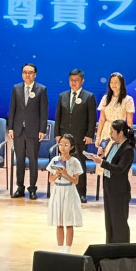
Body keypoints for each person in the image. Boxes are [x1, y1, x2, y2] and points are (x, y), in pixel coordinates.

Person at [86, 119, 135, 243]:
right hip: (109, 186)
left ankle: (122, 248)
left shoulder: (128, 149)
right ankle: (110, 246)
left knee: (119, 221)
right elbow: (110, 162)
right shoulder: (114, 145)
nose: (110, 134)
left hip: (119, 190)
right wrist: (101, 156)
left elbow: (119, 169)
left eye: (112, 131)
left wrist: (102, 162)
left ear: (121, 132)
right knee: (109, 220)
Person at [55, 68, 97, 203]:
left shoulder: (89, 97)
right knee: (62, 164)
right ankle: (61, 189)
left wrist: (89, 134)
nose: (73, 83)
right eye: (71, 80)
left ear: (82, 81)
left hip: (80, 138)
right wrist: (57, 134)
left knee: (79, 165)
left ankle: (81, 193)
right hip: (64, 139)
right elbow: (58, 116)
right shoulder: (62, 96)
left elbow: (92, 118)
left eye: (76, 80)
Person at [8, 63, 49, 200]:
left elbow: (43, 112)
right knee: (19, 160)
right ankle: (20, 187)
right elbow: (12, 109)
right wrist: (11, 127)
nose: (27, 75)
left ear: (35, 74)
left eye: (30, 72)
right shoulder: (16, 88)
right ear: (22, 74)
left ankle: (32, 188)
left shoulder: (41, 89)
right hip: (18, 130)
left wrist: (42, 130)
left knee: (33, 161)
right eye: (25, 72)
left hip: (33, 131)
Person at [46, 134, 84, 252]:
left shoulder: (74, 162)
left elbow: (76, 181)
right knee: (59, 222)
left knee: (69, 222)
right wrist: (57, 175)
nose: (62, 147)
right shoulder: (55, 160)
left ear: (71, 147)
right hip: (57, 191)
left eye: (66, 145)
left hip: (69, 192)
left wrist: (66, 174)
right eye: (61, 144)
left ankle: (67, 249)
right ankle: (60, 248)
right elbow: (50, 179)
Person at [95, 71, 135, 145]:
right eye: (111, 82)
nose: (113, 85)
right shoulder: (105, 98)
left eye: (116, 82)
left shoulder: (128, 100)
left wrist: (129, 137)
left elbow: (129, 122)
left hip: (120, 131)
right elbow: (101, 119)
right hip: (106, 131)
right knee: (104, 151)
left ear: (121, 83)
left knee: (118, 151)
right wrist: (98, 137)